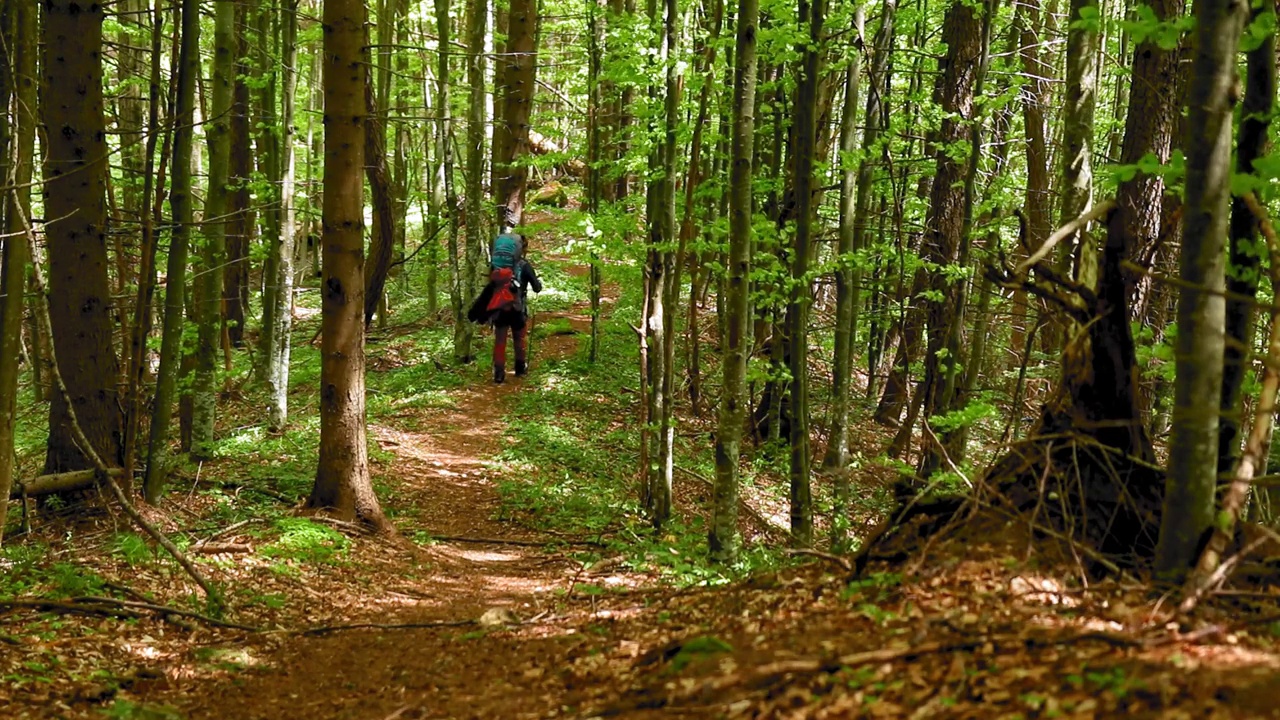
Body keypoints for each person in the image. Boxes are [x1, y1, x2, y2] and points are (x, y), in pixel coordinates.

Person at [477, 232, 541, 383]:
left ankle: (499, 374)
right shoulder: (524, 266)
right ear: (521, 249)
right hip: (517, 309)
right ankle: (520, 369)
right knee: (519, 338)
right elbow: (537, 288)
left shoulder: (496, 266)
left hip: (499, 309)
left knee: (500, 340)